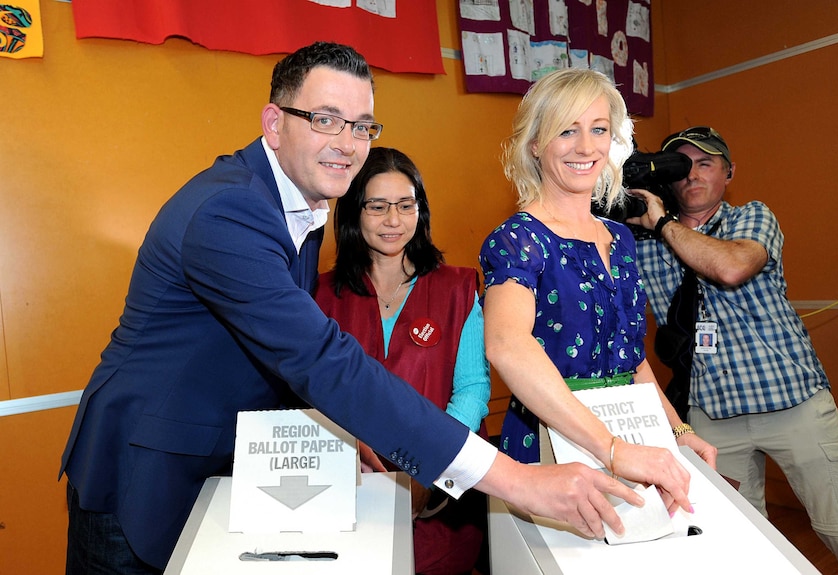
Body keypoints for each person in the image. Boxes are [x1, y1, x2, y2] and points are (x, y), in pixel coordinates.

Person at [58, 42, 677, 575]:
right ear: (274, 122)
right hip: (145, 473)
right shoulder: (232, 212)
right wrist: (513, 479)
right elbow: (323, 361)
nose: (348, 143)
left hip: (219, 464)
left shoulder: (294, 206)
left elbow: (272, 358)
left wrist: (341, 429)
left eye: (362, 125)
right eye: (326, 119)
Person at [478, 68, 717, 507]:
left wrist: (678, 431)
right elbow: (506, 345)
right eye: (567, 130)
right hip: (550, 443)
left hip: (631, 434)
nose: (586, 147)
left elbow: (632, 359)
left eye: (599, 129)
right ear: (535, 143)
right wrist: (610, 448)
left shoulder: (620, 237)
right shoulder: (518, 239)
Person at [629, 125, 838, 573]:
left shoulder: (751, 219)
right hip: (711, 415)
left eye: (706, 163)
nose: (692, 176)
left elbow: (732, 267)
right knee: (733, 540)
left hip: (792, 402)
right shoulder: (642, 242)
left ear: (729, 172)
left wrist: (663, 223)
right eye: (681, 166)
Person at [315, 147, 490, 575]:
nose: (393, 220)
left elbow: (471, 389)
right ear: (354, 212)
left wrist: (429, 471)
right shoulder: (319, 296)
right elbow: (309, 392)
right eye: (377, 206)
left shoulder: (457, 288)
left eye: (406, 205)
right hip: (349, 488)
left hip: (441, 492)